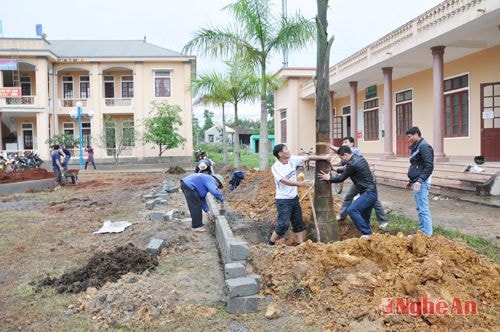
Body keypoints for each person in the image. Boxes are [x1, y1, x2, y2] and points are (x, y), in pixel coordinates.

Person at [268, 144, 332, 245]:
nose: (289, 151)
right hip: (283, 200)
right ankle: (271, 243)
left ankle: (300, 243)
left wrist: (324, 157)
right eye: (286, 149)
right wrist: (301, 184)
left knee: (298, 222)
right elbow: (284, 181)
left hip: (294, 198)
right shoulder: (276, 167)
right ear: (280, 154)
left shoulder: (292, 160)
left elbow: (308, 157)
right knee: (283, 225)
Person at [319, 146, 378, 238]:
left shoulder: (353, 164)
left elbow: (341, 178)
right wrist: (335, 169)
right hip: (370, 193)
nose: (342, 160)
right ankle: (367, 236)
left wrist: (329, 178)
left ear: (346, 155)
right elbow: (348, 170)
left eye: (342, 158)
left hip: (368, 194)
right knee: (364, 217)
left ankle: (367, 233)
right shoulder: (359, 158)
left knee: (352, 210)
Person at [330, 137, 388, 229]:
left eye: (346, 142)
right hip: (358, 181)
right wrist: (333, 167)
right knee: (349, 196)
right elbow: (344, 166)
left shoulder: (355, 151)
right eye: (343, 142)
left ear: (352, 143)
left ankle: (382, 221)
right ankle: (342, 215)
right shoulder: (348, 156)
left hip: (366, 181)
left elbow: (343, 175)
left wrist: (329, 146)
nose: (344, 144)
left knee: (373, 201)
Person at [406, 127, 434, 236]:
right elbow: (417, 166)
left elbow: (429, 166)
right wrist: (411, 181)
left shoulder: (424, 147)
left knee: (423, 209)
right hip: (416, 182)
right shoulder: (416, 147)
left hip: (422, 183)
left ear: (416, 134)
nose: (409, 139)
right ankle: (422, 232)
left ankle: (427, 235)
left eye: (410, 137)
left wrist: (420, 181)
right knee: (419, 208)